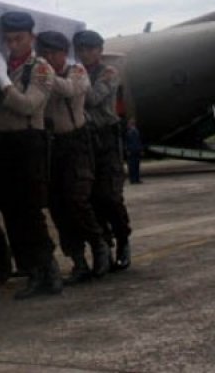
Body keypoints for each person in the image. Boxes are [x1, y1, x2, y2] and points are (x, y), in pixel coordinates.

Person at [0, 10, 62, 300]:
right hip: (6, 144)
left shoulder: (40, 68)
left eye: (18, 38)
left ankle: (48, 270)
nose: (13, 44)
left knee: (30, 211)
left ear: (31, 37)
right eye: (8, 40)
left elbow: (29, 105)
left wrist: (3, 82)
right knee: (12, 211)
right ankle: (32, 271)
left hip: (29, 141)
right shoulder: (5, 66)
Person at [38, 31, 110, 284]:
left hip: (77, 143)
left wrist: (43, 75)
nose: (48, 58)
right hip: (52, 146)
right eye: (44, 53)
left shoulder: (77, 72)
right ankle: (77, 259)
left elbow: (69, 90)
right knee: (58, 207)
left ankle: (99, 245)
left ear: (63, 53)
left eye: (53, 53)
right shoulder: (40, 75)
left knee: (77, 199)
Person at [73, 30, 133, 271]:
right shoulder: (77, 73)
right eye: (81, 49)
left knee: (110, 195)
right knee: (90, 196)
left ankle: (123, 239)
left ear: (99, 50)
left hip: (106, 138)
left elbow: (94, 98)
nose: (85, 54)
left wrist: (74, 82)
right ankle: (104, 245)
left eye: (90, 49)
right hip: (85, 139)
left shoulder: (108, 72)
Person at [125, 118, 143, 184]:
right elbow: (126, 142)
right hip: (131, 151)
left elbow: (139, 141)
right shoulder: (128, 133)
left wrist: (140, 149)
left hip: (136, 150)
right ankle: (132, 180)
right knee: (131, 166)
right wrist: (127, 150)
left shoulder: (136, 131)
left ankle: (137, 179)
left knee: (137, 166)